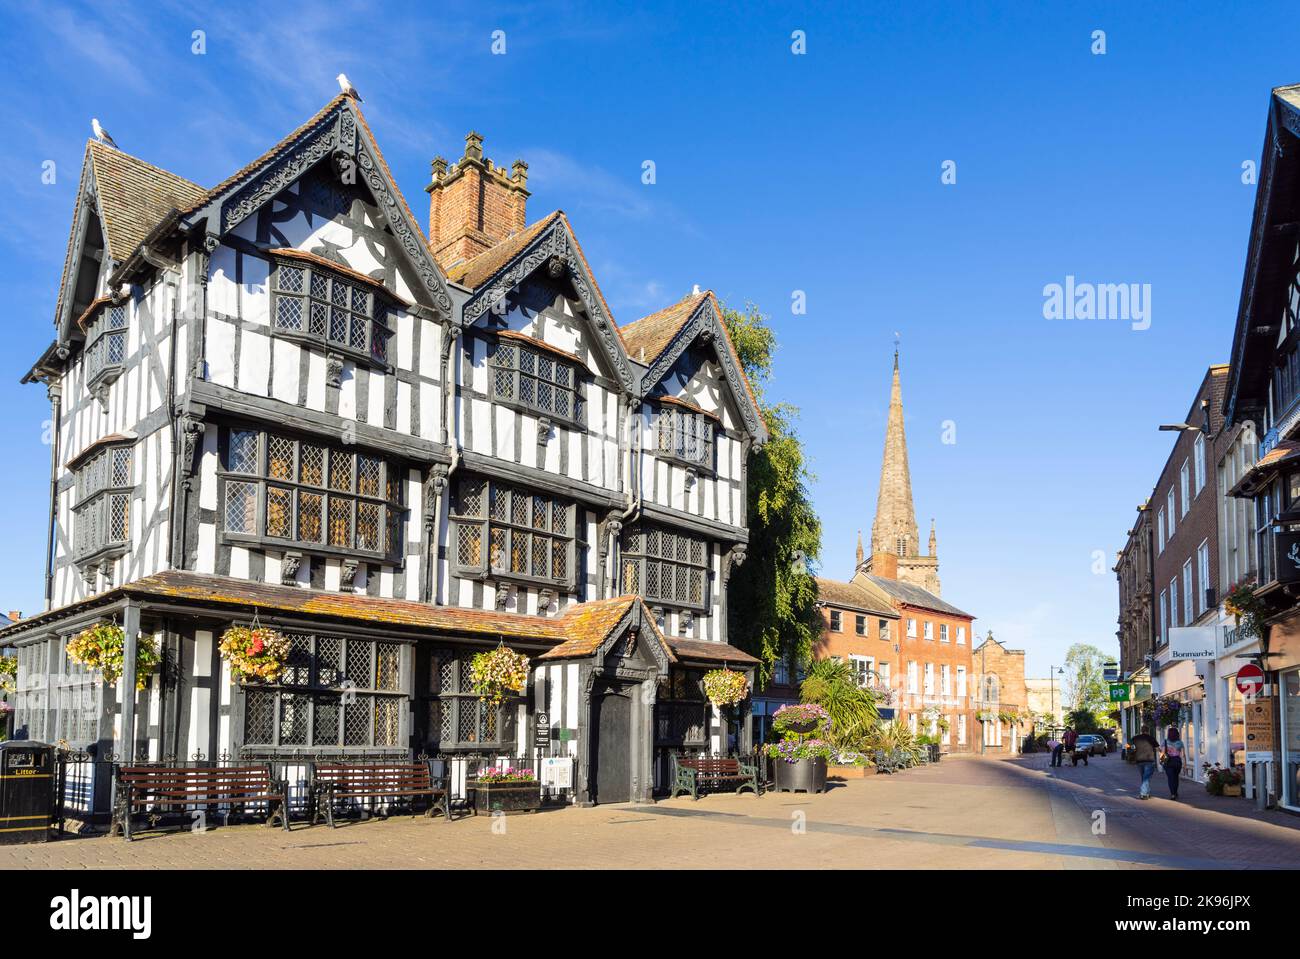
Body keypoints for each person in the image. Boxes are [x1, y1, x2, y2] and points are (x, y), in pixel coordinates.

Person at [1130, 727, 1160, 799]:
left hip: (1139, 760)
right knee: (1146, 778)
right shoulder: (1151, 738)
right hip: (1149, 760)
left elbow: (1130, 747)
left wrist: (1133, 751)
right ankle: (1143, 793)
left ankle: (1147, 793)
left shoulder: (1135, 738)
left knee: (1144, 777)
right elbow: (1157, 748)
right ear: (1148, 731)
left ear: (1141, 730)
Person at [1162, 726, 1184, 800]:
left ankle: (1173, 794)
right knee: (1175, 777)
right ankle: (1175, 792)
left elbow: (1162, 753)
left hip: (1168, 761)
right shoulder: (1180, 742)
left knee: (1170, 778)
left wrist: (1161, 761)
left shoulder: (1165, 741)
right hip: (1177, 761)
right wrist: (1185, 763)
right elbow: (1183, 754)